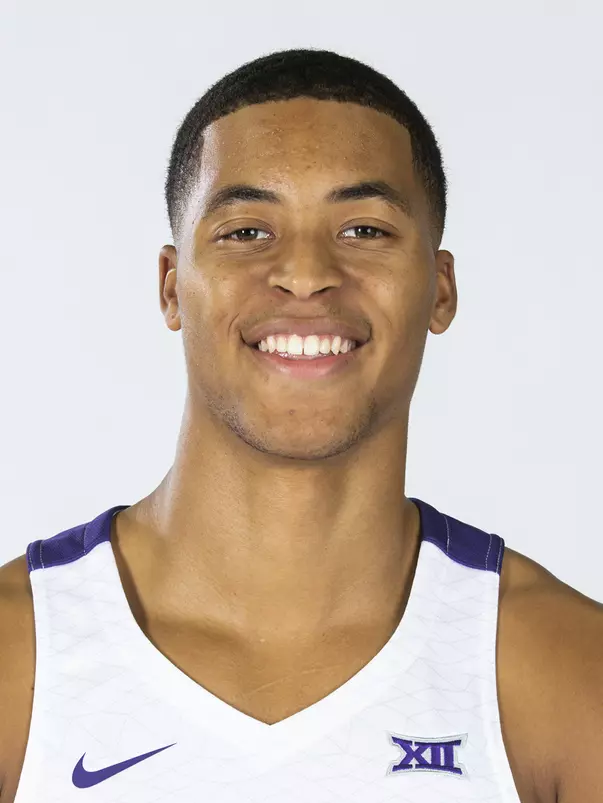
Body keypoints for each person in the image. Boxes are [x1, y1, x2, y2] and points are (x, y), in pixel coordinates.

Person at [0, 48, 601, 803]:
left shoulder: (566, 673)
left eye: (365, 229)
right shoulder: (21, 659)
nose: (307, 274)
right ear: (172, 287)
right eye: (247, 232)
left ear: (440, 289)